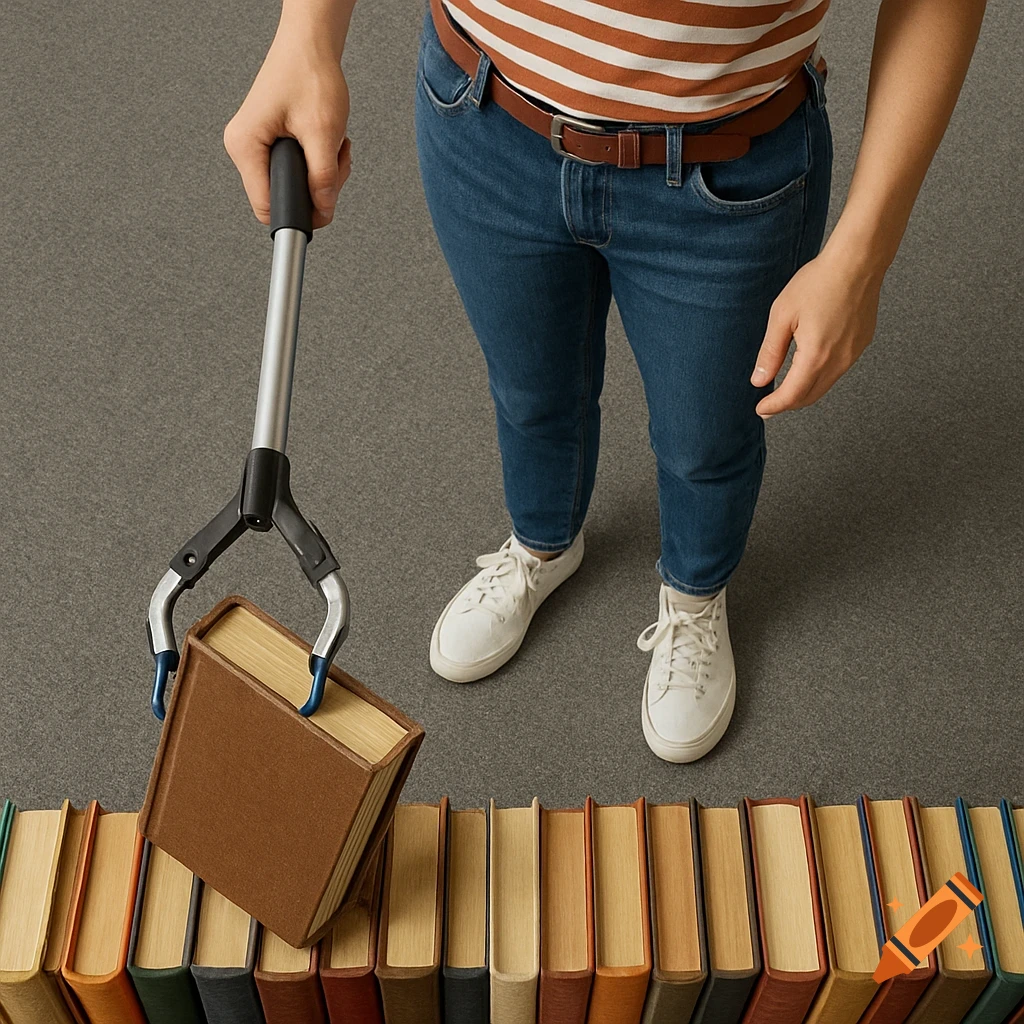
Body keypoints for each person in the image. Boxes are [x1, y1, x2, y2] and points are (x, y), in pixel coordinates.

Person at [225, 0, 986, 762]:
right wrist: (307, 35)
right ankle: (544, 545)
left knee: (705, 438)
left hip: (726, 166)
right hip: (484, 115)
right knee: (529, 388)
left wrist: (865, 253)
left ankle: (694, 595)